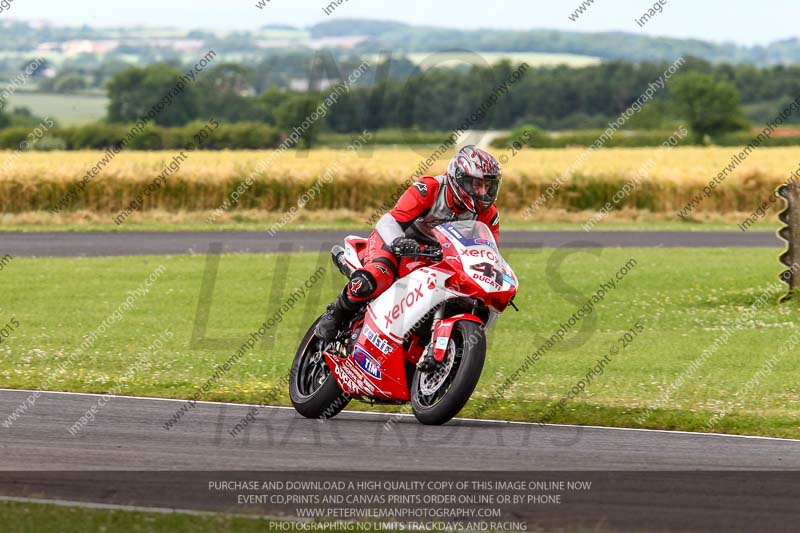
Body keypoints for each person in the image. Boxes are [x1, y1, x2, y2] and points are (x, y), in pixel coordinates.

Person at [314, 145, 503, 342]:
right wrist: (399, 242)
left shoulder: (488, 214)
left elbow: (488, 252)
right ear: (459, 178)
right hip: (396, 245)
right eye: (476, 184)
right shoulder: (430, 188)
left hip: (439, 259)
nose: (482, 192)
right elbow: (390, 220)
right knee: (378, 276)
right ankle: (335, 314)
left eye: (487, 186)